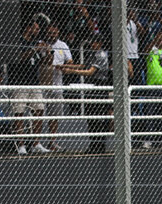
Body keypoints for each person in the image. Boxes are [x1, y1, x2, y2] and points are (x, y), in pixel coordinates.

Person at [60, 31, 110, 154]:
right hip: (91, 85)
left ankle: (99, 145)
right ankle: (93, 143)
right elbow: (83, 65)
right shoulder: (93, 54)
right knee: (90, 115)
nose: (92, 44)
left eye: (94, 42)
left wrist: (72, 72)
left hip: (99, 85)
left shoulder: (101, 55)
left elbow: (90, 71)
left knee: (98, 116)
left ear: (99, 43)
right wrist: (68, 67)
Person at [9, 15, 49, 155]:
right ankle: (21, 144)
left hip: (34, 81)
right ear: (28, 28)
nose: (38, 31)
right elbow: (18, 58)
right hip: (19, 82)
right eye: (36, 28)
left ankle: (36, 142)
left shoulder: (36, 43)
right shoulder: (18, 41)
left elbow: (44, 63)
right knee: (19, 112)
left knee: (39, 109)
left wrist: (47, 53)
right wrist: (34, 49)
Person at [40, 22, 72, 153]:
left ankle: (52, 141)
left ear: (58, 33)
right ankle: (36, 142)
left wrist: (64, 66)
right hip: (43, 84)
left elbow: (70, 61)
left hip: (57, 84)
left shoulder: (62, 45)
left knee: (54, 115)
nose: (52, 35)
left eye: (54, 33)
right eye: (50, 33)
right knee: (39, 112)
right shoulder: (41, 44)